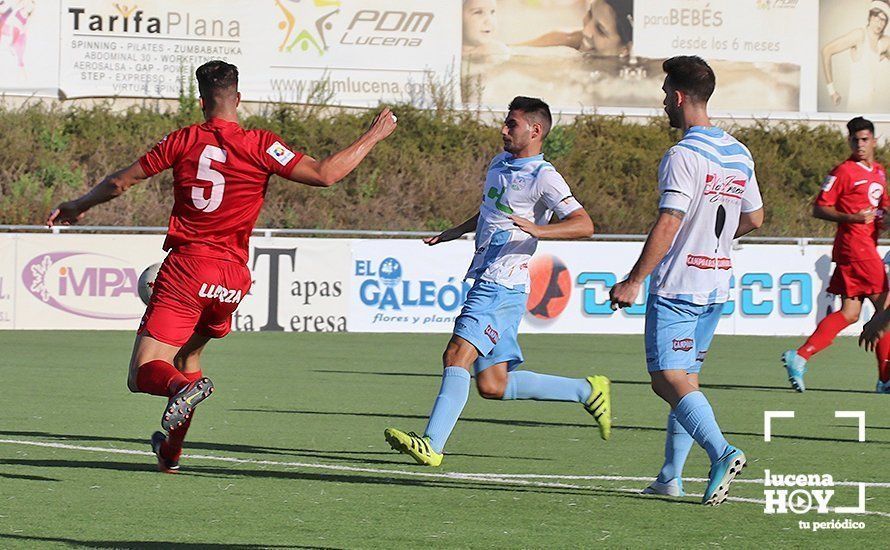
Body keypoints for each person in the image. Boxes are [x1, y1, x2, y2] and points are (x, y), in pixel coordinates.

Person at [45, 60, 397, 473]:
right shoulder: (263, 144)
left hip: (188, 267)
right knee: (188, 361)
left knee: (143, 373)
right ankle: (171, 453)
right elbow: (325, 174)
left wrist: (77, 206)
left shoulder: (183, 140)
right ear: (239, 98)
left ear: (200, 102)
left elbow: (120, 182)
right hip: (232, 281)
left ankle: (181, 390)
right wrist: (374, 134)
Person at [384, 96, 610, 467]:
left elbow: (584, 224)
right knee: (493, 385)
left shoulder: (544, 176)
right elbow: (492, 209)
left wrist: (539, 229)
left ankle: (432, 443)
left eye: (512, 125)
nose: (503, 130)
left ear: (535, 131)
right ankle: (587, 390)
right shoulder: (500, 163)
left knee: (456, 354)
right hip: (491, 280)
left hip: (501, 284)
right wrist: (457, 230)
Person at [609, 56, 764, 505]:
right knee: (686, 379)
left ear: (678, 97)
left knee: (666, 377)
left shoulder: (683, 154)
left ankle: (721, 451)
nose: (662, 105)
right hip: (716, 285)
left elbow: (670, 220)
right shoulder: (739, 152)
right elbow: (754, 216)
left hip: (680, 285)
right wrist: (712, 240)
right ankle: (669, 477)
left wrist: (634, 280)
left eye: (664, 96)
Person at [784, 117, 890, 393]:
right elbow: (819, 208)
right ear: (849, 141)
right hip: (857, 249)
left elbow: (884, 210)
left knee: (850, 312)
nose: (860, 144)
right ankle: (886, 378)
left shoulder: (878, 171)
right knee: (886, 309)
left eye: (865, 139)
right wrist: (852, 217)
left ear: (874, 141)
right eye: (855, 140)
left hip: (862, 250)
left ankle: (801, 355)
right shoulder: (843, 171)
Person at [821, 0, 890, 110]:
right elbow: (826, 50)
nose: (880, 23)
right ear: (870, 17)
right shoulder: (860, 35)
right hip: (856, 105)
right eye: (877, 18)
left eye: (884, 20)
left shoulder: (883, 43)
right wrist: (832, 91)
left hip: (871, 106)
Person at [517, 0, 633, 56]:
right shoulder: (565, 41)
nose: (586, 30)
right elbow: (505, 53)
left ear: (627, 48)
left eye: (600, 30)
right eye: (590, 13)